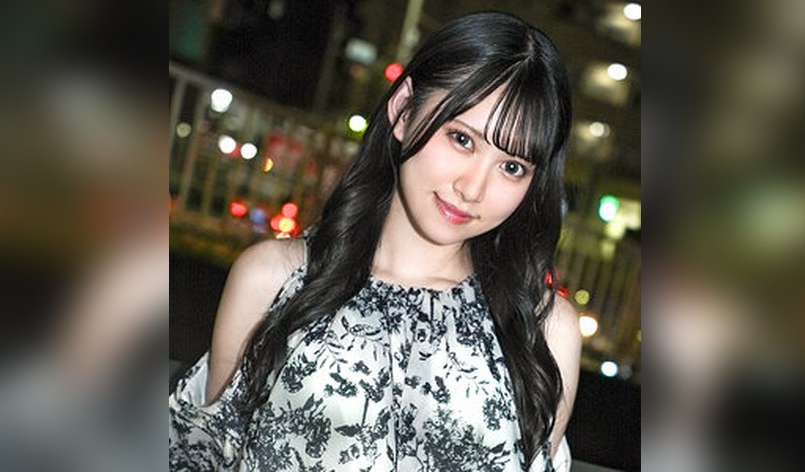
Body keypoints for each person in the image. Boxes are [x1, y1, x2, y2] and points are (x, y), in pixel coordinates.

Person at [170, 11, 581, 471]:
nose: (473, 188)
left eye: (512, 167)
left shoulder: (544, 331)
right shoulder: (274, 278)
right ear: (404, 110)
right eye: (462, 139)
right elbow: (204, 455)